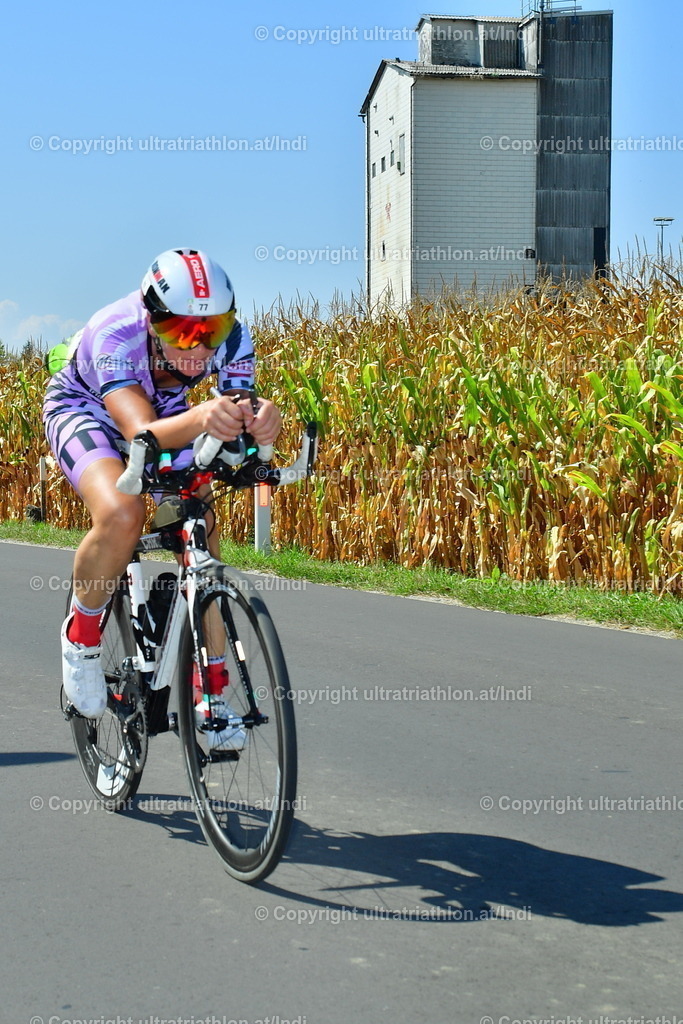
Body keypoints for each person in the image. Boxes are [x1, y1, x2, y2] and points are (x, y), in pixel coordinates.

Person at [43, 248, 281, 749]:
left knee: (202, 526)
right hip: (88, 411)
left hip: (170, 414)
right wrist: (206, 417)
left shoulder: (234, 339)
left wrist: (261, 419)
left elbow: (238, 414)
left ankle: (210, 691)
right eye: (182, 332)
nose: (200, 347)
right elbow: (140, 433)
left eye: (211, 330)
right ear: (152, 321)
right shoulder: (114, 331)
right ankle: (81, 639)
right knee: (121, 513)